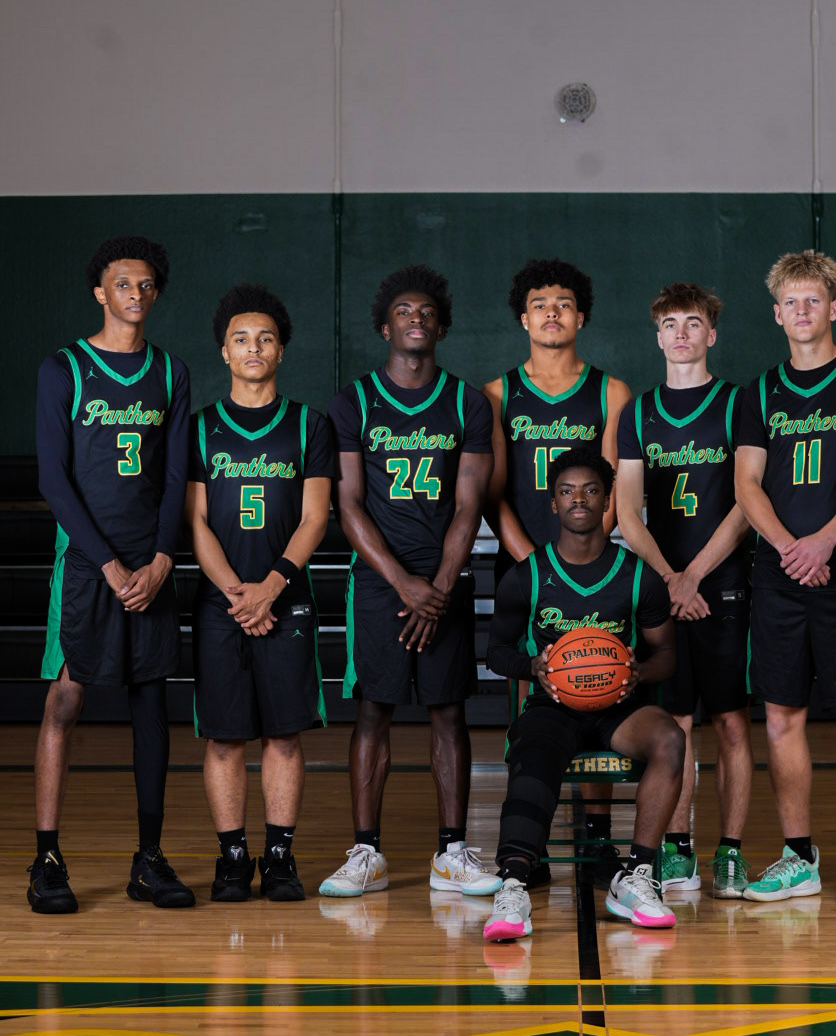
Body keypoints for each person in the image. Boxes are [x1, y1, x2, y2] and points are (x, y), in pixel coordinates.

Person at [322, 264, 498, 900]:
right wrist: (403, 584)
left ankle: (451, 852)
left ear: (441, 327)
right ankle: (366, 852)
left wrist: (440, 587)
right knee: (374, 710)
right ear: (384, 327)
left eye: (426, 311)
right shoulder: (354, 402)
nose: (416, 318)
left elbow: (469, 505)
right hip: (380, 582)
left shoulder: (467, 403)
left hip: (445, 578)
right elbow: (348, 505)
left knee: (448, 712)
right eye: (403, 311)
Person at [30, 235, 193, 913]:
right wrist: (108, 563)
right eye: (123, 284)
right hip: (87, 563)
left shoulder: (170, 371)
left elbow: (177, 476)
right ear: (100, 292)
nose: (135, 294)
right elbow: (53, 479)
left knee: (150, 705)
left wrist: (160, 560)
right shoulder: (64, 367)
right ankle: (46, 858)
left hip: (149, 564)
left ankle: (148, 859)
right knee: (65, 700)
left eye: (146, 284)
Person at [734, 250, 836, 904]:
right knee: (780, 716)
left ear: (834, 307)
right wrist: (787, 546)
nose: (802, 311)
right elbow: (747, 483)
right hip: (778, 575)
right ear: (777, 314)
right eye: (791, 302)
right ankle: (798, 856)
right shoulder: (760, 391)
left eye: (813, 300)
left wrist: (825, 540)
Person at [483, 446, 685, 943]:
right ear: (553, 502)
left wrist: (639, 673)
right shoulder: (527, 575)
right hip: (553, 704)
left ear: (607, 500)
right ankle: (513, 885)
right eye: (567, 491)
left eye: (591, 490)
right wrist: (532, 666)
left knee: (670, 738)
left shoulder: (638, 576)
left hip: (619, 706)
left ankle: (637, 876)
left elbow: (667, 654)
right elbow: (495, 653)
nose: (579, 499)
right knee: (532, 749)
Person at [484, 258, 632, 886]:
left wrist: (585, 555)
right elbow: (492, 492)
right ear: (523, 318)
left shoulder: (611, 391)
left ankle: (597, 838)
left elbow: (614, 489)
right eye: (539, 304)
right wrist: (533, 561)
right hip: (526, 563)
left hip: (593, 565)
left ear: (581, 316)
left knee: (596, 680)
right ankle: (533, 839)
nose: (552, 312)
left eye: (563, 303)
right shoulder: (497, 393)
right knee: (531, 697)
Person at [186, 286, 332, 901]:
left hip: (285, 599)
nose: (254, 348)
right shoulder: (199, 428)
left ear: (281, 351)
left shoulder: (309, 424)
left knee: (283, 734)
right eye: (241, 339)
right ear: (224, 351)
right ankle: (231, 859)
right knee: (223, 737)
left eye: (265, 338)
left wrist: (270, 589)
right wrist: (237, 595)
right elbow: (195, 521)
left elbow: (316, 517)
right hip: (222, 603)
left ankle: (278, 857)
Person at [615, 282, 753, 899]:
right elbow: (626, 509)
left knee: (730, 722)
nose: (681, 333)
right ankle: (677, 849)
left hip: (722, 585)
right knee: (675, 722)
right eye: (669, 323)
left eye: (692, 323)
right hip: (663, 590)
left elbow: (747, 504)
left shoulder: (737, 403)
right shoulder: (639, 412)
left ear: (711, 334)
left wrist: (694, 574)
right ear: (657, 336)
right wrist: (671, 578)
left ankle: (731, 852)